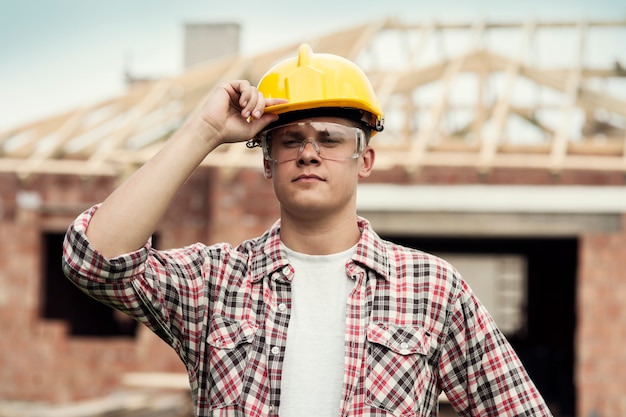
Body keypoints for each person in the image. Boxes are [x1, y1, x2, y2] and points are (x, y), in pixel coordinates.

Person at [62, 44, 552, 416]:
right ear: (267, 164)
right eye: (291, 139)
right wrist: (205, 131)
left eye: (330, 139)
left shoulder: (431, 288)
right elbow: (94, 260)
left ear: (366, 159)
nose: (309, 152)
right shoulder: (215, 282)